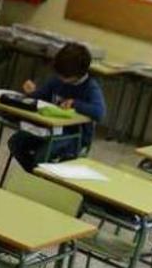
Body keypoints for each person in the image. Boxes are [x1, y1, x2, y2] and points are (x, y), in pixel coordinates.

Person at [7, 43, 105, 173]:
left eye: (65, 77)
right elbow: (41, 96)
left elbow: (99, 112)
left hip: (73, 137)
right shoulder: (58, 80)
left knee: (42, 156)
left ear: (79, 74)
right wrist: (30, 93)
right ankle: (35, 175)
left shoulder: (90, 87)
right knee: (16, 142)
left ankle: (39, 177)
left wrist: (75, 104)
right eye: (60, 75)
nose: (61, 79)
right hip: (50, 130)